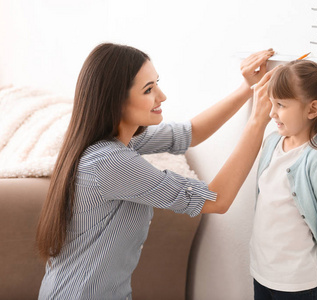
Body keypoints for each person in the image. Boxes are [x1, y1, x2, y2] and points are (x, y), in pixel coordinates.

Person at [36, 43, 276, 299]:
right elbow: (217, 198)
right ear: (116, 100)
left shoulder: (114, 139)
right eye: (148, 89)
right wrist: (258, 120)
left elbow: (191, 133)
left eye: (156, 83)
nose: (161, 96)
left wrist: (246, 89)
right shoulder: (109, 162)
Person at [249, 59, 317, 300]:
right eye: (272, 103)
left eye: (281, 105)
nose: (272, 112)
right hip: (262, 272)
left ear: (312, 110)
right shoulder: (272, 143)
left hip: (298, 284)